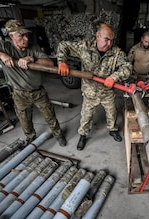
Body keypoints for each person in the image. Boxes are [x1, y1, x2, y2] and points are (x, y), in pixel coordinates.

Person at [0, 19, 67, 147]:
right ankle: (31, 140)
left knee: (50, 115)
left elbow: (49, 64)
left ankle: (58, 135)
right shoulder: (4, 46)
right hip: (19, 94)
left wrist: (31, 59)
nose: (26, 39)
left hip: (38, 91)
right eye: (21, 35)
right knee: (25, 120)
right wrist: (1, 55)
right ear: (11, 36)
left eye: (26, 35)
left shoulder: (33, 47)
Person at [56, 22, 132, 151]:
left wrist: (114, 77)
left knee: (112, 113)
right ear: (97, 35)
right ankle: (83, 135)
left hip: (107, 92)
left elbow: (127, 67)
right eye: (106, 39)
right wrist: (62, 61)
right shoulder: (84, 47)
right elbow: (63, 45)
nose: (109, 44)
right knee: (86, 116)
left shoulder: (116, 53)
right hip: (90, 92)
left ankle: (112, 130)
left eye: (111, 40)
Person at [128, 31, 149, 111]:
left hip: (148, 77)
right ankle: (130, 113)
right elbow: (128, 63)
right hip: (135, 76)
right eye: (145, 41)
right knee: (131, 96)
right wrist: (127, 76)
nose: (147, 44)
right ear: (142, 39)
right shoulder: (135, 49)